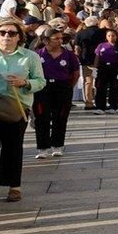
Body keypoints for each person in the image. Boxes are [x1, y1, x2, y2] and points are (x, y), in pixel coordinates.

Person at [0, 21, 45, 203]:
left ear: (19, 37)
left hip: (17, 108)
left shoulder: (30, 57)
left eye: (12, 33)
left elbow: (40, 81)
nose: (7, 36)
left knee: (13, 149)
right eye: (3, 33)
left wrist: (25, 82)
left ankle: (14, 187)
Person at [33, 29, 80, 159]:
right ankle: (42, 148)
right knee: (42, 118)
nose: (60, 41)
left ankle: (57, 145)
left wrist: (69, 86)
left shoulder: (69, 55)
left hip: (62, 87)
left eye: (61, 38)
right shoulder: (37, 55)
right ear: (46, 40)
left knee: (60, 117)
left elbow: (75, 73)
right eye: (56, 38)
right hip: (42, 88)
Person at [93, 27, 118, 114]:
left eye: (113, 35)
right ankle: (100, 106)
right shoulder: (101, 45)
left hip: (114, 68)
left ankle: (113, 106)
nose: (111, 37)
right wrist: (95, 68)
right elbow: (97, 57)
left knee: (114, 88)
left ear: (116, 36)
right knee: (101, 87)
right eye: (109, 35)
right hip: (103, 68)